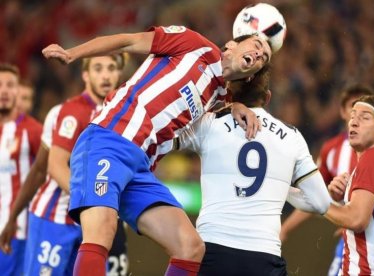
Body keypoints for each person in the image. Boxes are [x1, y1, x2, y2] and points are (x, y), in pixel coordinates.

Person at [42, 25, 270, 275]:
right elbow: (128, 41)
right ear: (231, 45)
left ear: (251, 75)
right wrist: (72, 53)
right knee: (102, 231)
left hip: (141, 169)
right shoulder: (193, 43)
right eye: (257, 45)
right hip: (109, 140)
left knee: (190, 247)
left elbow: (218, 109)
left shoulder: (219, 96)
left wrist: (236, 105)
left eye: (264, 58)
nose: (259, 54)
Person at [175, 65, 332, 275]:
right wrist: (279, 186)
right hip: (264, 256)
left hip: (213, 250)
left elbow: (166, 135)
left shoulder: (210, 124)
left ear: (228, 93)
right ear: (267, 98)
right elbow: (321, 203)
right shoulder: (292, 137)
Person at [0, 55, 130, 275]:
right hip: (55, 217)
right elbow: (46, 167)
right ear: (85, 75)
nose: (106, 75)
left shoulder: (122, 115)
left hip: (95, 221)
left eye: (111, 69)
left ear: (119, 74)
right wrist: (14, 216)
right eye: (98, 69)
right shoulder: (66, 112)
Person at [280, 84, 374, 275]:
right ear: (342, 112)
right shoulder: (331, 150)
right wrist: (286, 229)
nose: (358, 114)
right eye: (353, 107)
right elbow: (315, 196)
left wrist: (358, 218)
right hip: (352, 240)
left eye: (366, 108)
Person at [324, 95, 374, 275]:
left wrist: (319, 203)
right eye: (353, 116)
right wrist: (338, 200)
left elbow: (357, 219)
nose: (353, 122)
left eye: (365, 117)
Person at [0, 63, 43, 275]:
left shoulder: (33, 131)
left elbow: (48, 172)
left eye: (10, 85)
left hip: (18, 230)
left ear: (18, 91)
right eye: (0, 85)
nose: (4, 91)